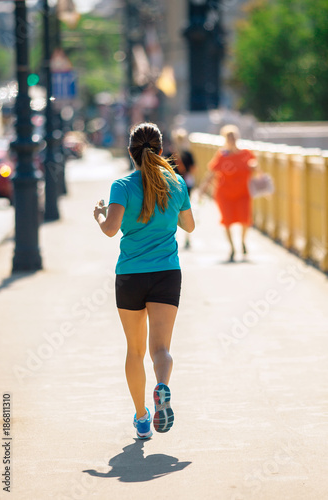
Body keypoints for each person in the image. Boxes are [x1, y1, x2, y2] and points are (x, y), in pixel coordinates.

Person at [93, 122, 195, 439]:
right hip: (167, 273)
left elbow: (111, 230)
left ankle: (141, 417)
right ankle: (162, 386)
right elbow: (189, 227)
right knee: (161, 349)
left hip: (130, 276)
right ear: (161, 150)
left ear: (131, 152)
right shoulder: (177, 183)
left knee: (134, 351)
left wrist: (99, 213)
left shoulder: (121, 186)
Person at [200, 125, 257, 261]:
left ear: (237, 138)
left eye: (233, 137)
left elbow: (257, 171)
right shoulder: (222, 154)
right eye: (229, 137)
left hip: (243, 193)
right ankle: (232, 248)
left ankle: (243, 241)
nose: (231, 140)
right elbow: (212, 173)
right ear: (225, 139)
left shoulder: (246, 154)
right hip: (224, 194)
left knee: (245, 219)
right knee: (227, 221)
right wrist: (203, 188)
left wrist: (255, 167)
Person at [171, 128, 197, 249]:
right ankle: (176, 236)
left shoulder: (186, 154)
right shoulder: (171, 154)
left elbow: (193, 169)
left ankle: (187, 237)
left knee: (184, 211)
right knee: (177, 212)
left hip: (183, 185)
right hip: (176, 186)